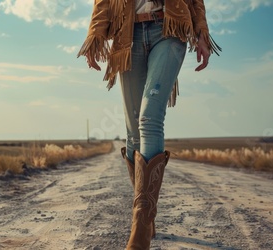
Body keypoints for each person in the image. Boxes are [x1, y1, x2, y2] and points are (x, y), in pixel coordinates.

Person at [77, 0, 221, 249]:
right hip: (126, 34)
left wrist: (201, 33)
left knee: (149, 117)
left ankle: (141, 225)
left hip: (168, 29)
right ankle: (147, 216)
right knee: (133, 133)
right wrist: (95, 34)